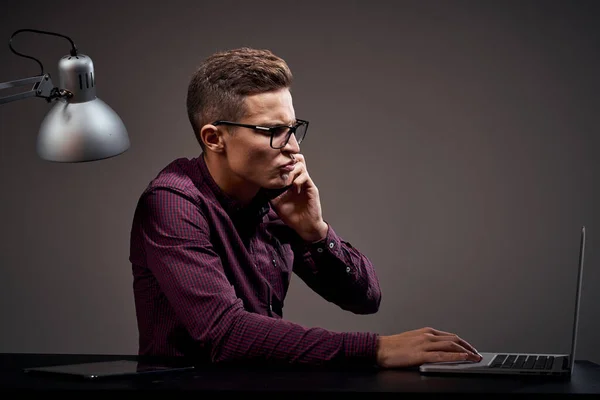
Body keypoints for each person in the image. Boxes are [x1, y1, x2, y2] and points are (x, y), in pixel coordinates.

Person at [129, 47, 482, 368]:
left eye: (293, 128)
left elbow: (366, 299)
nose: (294, 148)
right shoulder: (172, 202)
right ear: (214, 138)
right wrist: (376, 349)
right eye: (273, 130)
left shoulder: (274, 196)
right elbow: (225, 334)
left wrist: (316, 232)